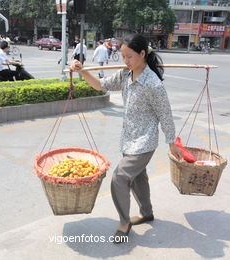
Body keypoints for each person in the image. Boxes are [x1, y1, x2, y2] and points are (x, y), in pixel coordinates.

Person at [70, 33, 182, 243]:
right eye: (123, 56)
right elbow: (100, 85)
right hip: (128, 139)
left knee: (120, 178)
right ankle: (147, 213)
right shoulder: (125, 75)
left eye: (129, 56)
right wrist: (82, 71)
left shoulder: (153, 84)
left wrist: (172, 142)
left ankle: (124, 222)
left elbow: (165, 115)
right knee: (139, 178)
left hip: (145, 142)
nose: (126, 60)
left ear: (142, 54)